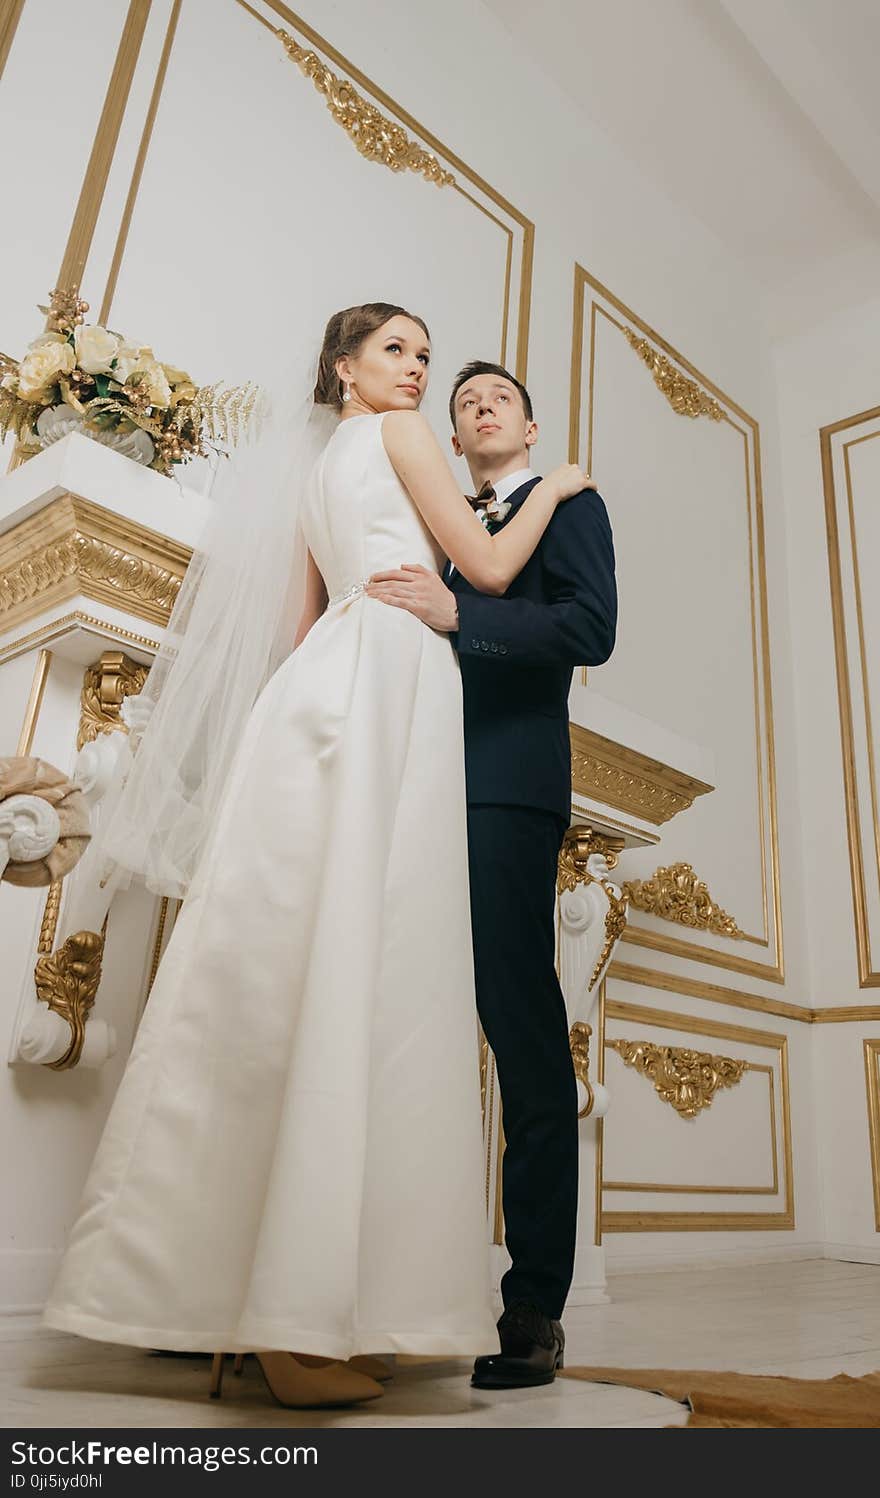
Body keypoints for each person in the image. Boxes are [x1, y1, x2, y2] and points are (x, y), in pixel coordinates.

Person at [42, 306, 590, 1410]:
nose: (418, 371)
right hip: (390, 673)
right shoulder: (397, 438)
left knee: (283, 961)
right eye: (396, 351)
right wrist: (560, 487)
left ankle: (224, 1298)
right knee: (369, 961)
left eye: (425, 358)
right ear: (344, 369)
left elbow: (295, 628)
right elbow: (480, 567)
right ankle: (302, 1309)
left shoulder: (311, 475)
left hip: (315, 690)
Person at [367, 361, 617, 1389]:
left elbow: (587, 628)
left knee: (520, 1030)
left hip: (504, 788)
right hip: (406, 776)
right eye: (465, 402)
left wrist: (457, 614)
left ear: (526, 422)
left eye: (497, 398)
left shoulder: (569, 503)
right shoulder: (440, 517)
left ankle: (533, 1304)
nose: (477, 407)